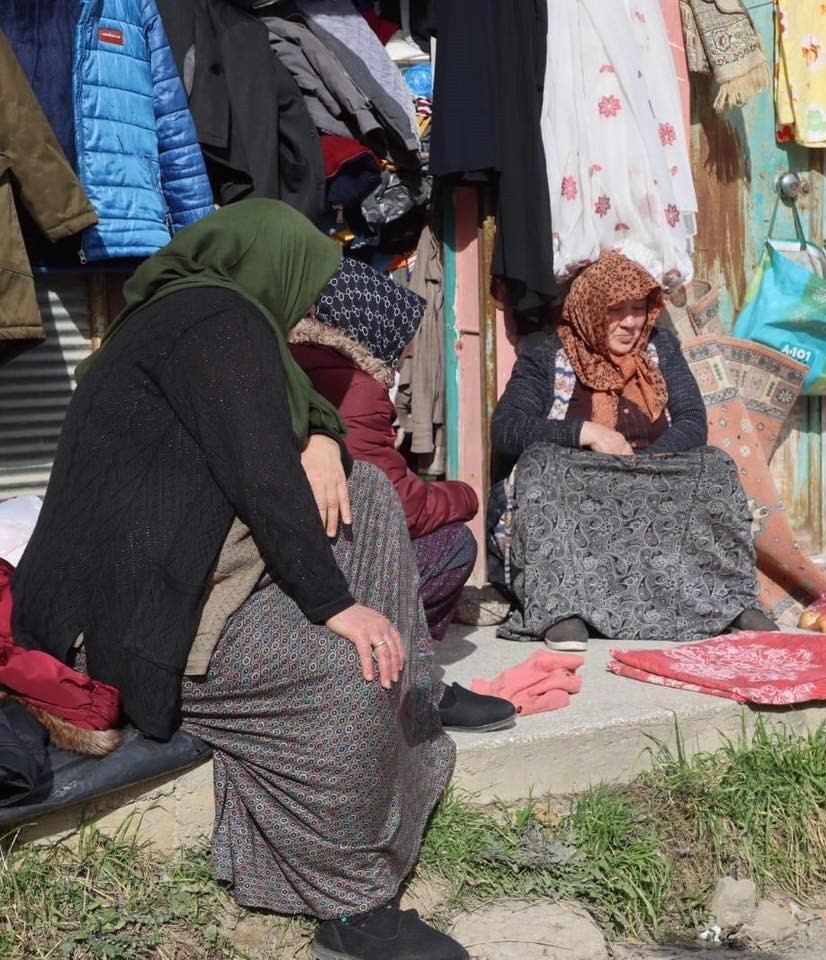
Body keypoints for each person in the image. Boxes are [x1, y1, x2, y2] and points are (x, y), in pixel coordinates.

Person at [11, 200, 466, 960]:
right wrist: (335, 609)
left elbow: (284, 419)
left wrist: (321, 437)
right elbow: (261, 474)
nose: (308, 311)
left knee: (371, 493)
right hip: (123, 627)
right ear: (274, 266)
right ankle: (350, 901)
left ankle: (417, 692)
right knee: (344, 679)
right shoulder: (215, 323)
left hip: (179, 575)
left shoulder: (198, 312)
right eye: (307, 286)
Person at [489, 251, 775, 652]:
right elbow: (507, 429)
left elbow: (692, 420)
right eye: (615, 311)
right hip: (583, 489)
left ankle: (729, 601)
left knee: (715, 466)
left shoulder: (659, 349)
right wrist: (585, 432)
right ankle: (560, 608)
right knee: (542, 464)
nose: (630, 322)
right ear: (590, 309)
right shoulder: (547, 356)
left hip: (653, 482)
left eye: (638, 309)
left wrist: (649, 466)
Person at [290, 257, 513, 730]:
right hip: (332, 563)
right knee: (452, 544)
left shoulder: (297, 365)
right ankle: (409, 677)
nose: (408, 356)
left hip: (295, 557)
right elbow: (402, 510)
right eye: (404, 342)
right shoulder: (355, 387)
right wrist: (466, 496)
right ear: (374, 331)